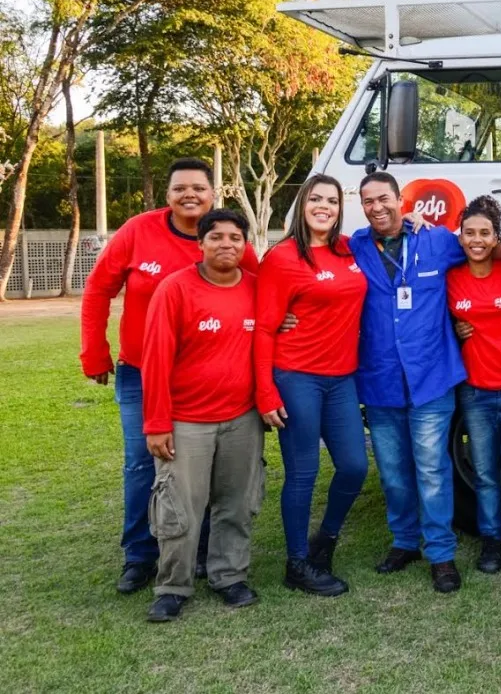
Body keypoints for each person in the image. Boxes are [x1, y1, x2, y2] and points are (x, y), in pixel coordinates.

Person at [80, 158, 259, 594]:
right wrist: (95, 352)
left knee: (204, 472)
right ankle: (140, 556)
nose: (190, 195)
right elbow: (99, 288)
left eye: (199, 188)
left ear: (213, 195)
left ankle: (199, 555)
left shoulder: (226, 239)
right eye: (180, 188)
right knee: (145, 463)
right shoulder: (138, 232)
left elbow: (260, 289)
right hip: (142, 371)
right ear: (168, 195)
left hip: (207, 379)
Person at [350, 171, 501, 594]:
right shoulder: (355, 245)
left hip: (431, 377)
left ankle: (441, 553)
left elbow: (481, 244)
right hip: (381, 380)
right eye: (368, 201)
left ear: (401, 199)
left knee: (432, 469)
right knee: (393, 472)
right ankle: (405, 541)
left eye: (384, 199)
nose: (378, 207)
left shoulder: (438, 241)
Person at [139, 209, 266, 623]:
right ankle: (173, 586)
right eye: (217, 237)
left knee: (237, 503)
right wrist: (157, 423)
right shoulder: (175, 289)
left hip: (242, 419)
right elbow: (155, 360)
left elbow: (277, 332)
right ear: (201, 243)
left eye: (235, 237)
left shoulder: (257, 288)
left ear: (245, 245)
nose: (226, 244)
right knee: (180, 509)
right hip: (186, 421)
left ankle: (229, 576)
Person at [254, 174, 369, 597]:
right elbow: (264, 329)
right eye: (316, 199)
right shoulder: (282, 258)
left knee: (355, 466)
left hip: (342, 379)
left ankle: (326, 541)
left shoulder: (347, 250)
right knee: (303, 473)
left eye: (333, 201)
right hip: (296, 376)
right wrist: (265, 392)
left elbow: (390, 229)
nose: (325, 206)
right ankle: (297, 563)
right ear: (302, 204)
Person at [447, 196, 501, 575]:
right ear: (461, 237)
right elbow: (436, 322)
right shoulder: (451, 279)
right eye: (470, 233)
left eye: (485, 233)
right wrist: (454, 329)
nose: (477, 240)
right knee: (484, 474)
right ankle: (490, 543)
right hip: (476, 392)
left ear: (496, 237)